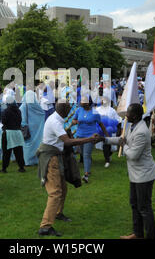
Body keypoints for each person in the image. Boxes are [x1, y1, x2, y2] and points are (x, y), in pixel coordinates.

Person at [37, 101, 100, 237]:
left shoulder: (56, 118)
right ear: (64, 109)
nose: (71, 110)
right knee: (55, 192)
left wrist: (67, 132)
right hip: (51, 157)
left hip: (55, 156)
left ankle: (58, 213)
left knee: (63, 188)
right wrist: (89, 139)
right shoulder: (55, 121)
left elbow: (62, 138)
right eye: (69, 108)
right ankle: (45, 226)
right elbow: (67, 142)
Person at [103, 103, 155, 239]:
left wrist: (124, 146)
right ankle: (138, 234)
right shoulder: (131, 126)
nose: (125, 115)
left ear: (134, 115)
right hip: (135, 175)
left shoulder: (141, 131)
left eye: (127, 113)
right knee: (134, 204)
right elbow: (123, 140)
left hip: (144, 176)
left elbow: (133, 154)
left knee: (144, 208)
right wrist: (104, 139)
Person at [71, 95, 109, 183]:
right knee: (82, 153)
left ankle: (86, 175)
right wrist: (75, 122)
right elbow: (73, 120)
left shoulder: (95, 112)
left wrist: (106, 135)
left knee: (86, 154)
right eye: (81, 101)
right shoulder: (79, 110)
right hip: (80, 135)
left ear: (88, 103)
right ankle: (88, 167)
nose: (81, 102)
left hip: (90, 136)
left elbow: (101, 124)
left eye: (83, 101)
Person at [19, 88, 45, 166]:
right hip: (36, 128)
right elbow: (42, 114)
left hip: (27, 128)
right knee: (36, 143)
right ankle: (36, 159)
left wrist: (23, 125)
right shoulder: (36, 106)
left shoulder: (23, 106)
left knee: (27, 144)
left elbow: (22, 118)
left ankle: (27, 161)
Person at [94, 95, 122, 168]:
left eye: (105, 100)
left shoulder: (112, 110)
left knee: (107, 145)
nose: (104, 101)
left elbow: (118, 120)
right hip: (99, 131)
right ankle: (107, 157)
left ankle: (107, 160)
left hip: (109, 131)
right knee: (104, 146)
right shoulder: (97, 109)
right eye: (102, 100)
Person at [0, 95, 26, 173]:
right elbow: (20, 120)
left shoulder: (5, 111)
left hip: (8, 132)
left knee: (6, 152)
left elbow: (3, 121)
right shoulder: (18, 110)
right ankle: (21, 167)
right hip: (18, 132)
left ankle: (4, 168)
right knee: (19, 152)